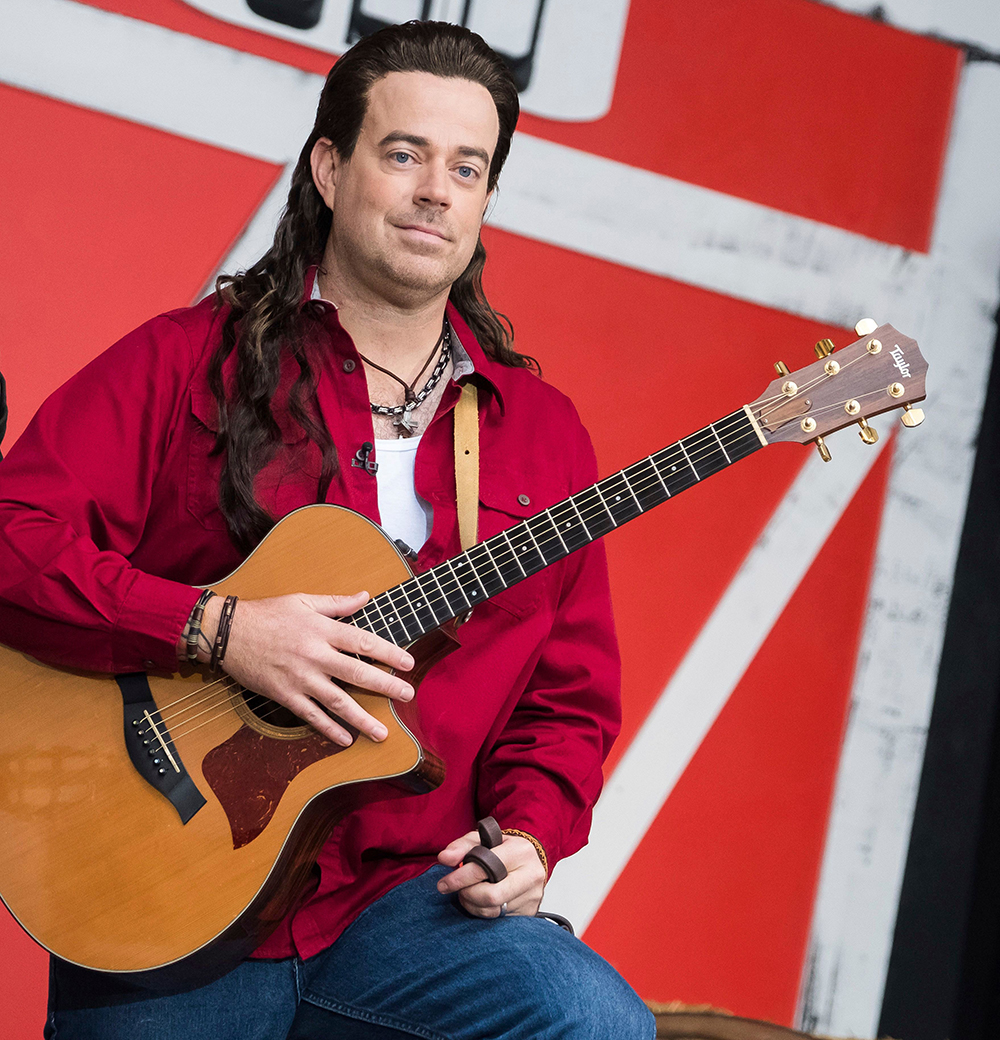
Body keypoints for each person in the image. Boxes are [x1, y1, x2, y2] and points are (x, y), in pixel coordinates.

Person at [0, 20, 655, 1040]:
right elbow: (13, 535)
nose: (436, 189)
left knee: (589, 1019)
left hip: (405, 906)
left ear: (486, 199)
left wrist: (528, 833)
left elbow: (567, 701)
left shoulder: (544, 433)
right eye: (404, 154)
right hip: (167, 890)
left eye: (467, 167)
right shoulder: (183, 361)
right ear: (330, 167)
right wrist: (217, 627)